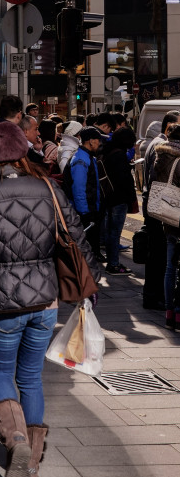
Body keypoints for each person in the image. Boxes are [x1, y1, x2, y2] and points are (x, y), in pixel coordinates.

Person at [0, 121, 100, 477]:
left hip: (0, 304)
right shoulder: (47, 187)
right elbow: (75, 236)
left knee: (0, 372)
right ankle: (31, 461)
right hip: (46, 300)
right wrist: (92, 282)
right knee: (31, 377)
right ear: (22, 149)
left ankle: (14, 442)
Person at [142, 113, 180, 310]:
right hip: (168, 209)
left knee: (159, 256)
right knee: (163, 257)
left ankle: (154, 296)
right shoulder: (168, 152)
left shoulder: (160, 150)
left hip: (156, 206)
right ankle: (156, 298)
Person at [151, 123, 180, 330]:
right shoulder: (179, 160)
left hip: (167, 219)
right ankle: (178, 314)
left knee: (171, 267)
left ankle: (170, 311)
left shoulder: (160, 156)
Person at [100, 126, 136, 275]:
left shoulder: (106, 150)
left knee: (109, 231)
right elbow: (125, 180)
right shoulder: (119, 155)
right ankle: (113, 263)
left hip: (107, 196)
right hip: (119, 198)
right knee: (115, 232)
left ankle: (111, 262)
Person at [66, 126, 103, 259]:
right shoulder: (81, 160)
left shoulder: (87, 157)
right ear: (91, 141)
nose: (99, 143)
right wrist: (84, 213)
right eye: (98, 140)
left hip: (90, 209)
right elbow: (79, 189)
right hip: (84, 212)